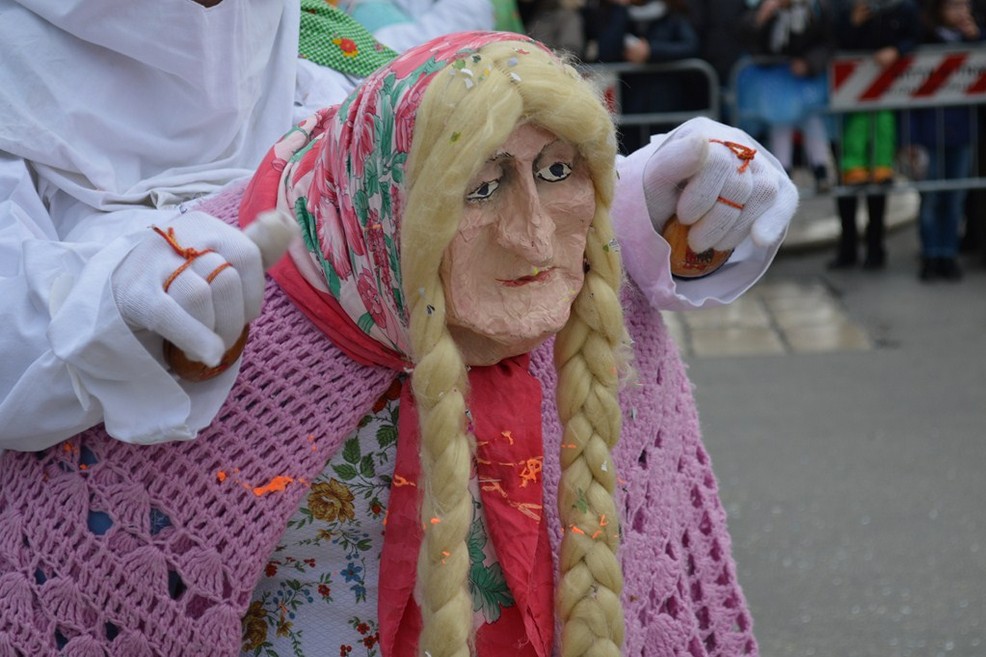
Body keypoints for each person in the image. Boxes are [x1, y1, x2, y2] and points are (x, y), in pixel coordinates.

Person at [0, 18, 796, 657]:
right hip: (212, 570)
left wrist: (646, 207)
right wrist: (100, 316)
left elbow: (468, 172)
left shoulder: (324, 49)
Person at [828, 0, 920, 270]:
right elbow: (831, 41)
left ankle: (875, 247)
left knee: (879, 179)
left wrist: (897, 50)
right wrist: (852, 23)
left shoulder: (902, 8)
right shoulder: (843, 7)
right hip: (845, 106)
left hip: (884, 105)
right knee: (847, 179)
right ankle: (847, 248)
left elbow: (915, 35)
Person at [906, 0, 983, 281]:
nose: (961, 11)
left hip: (963, 132)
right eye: (953, 6)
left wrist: (975, 38)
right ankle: (931, 253)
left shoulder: (973, 41)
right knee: (931, 198)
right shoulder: (923, 41)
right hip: (929, 133)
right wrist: (911, 138)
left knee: (955, 198)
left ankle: (948, 253)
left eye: (965, 5)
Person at [741, 0, 836, 193]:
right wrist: (761, 17)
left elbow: (828, 41)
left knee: (812, 118)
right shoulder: (765, 8)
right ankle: (782, 172)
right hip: (775, 81)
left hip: (807, 80)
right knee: (779, 122)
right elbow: (746, 36)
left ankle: (820, 169)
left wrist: (808, 63)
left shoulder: (817, 9)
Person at [590, 0, 702, 153]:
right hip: (630, 106)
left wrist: (651, 52)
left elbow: (690, 46)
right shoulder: (615, 14)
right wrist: (620, 11)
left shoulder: (672, 14)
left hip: (667, 105)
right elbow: (605, 53)